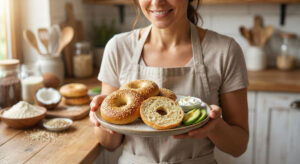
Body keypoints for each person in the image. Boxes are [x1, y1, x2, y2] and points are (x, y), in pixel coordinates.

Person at [89, 0, 249, 163]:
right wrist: (102, 118)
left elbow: (238, 147)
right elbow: (109, 144)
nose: (157, 2)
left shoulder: (224, 50)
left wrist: (214, 126)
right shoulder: (118, 48)